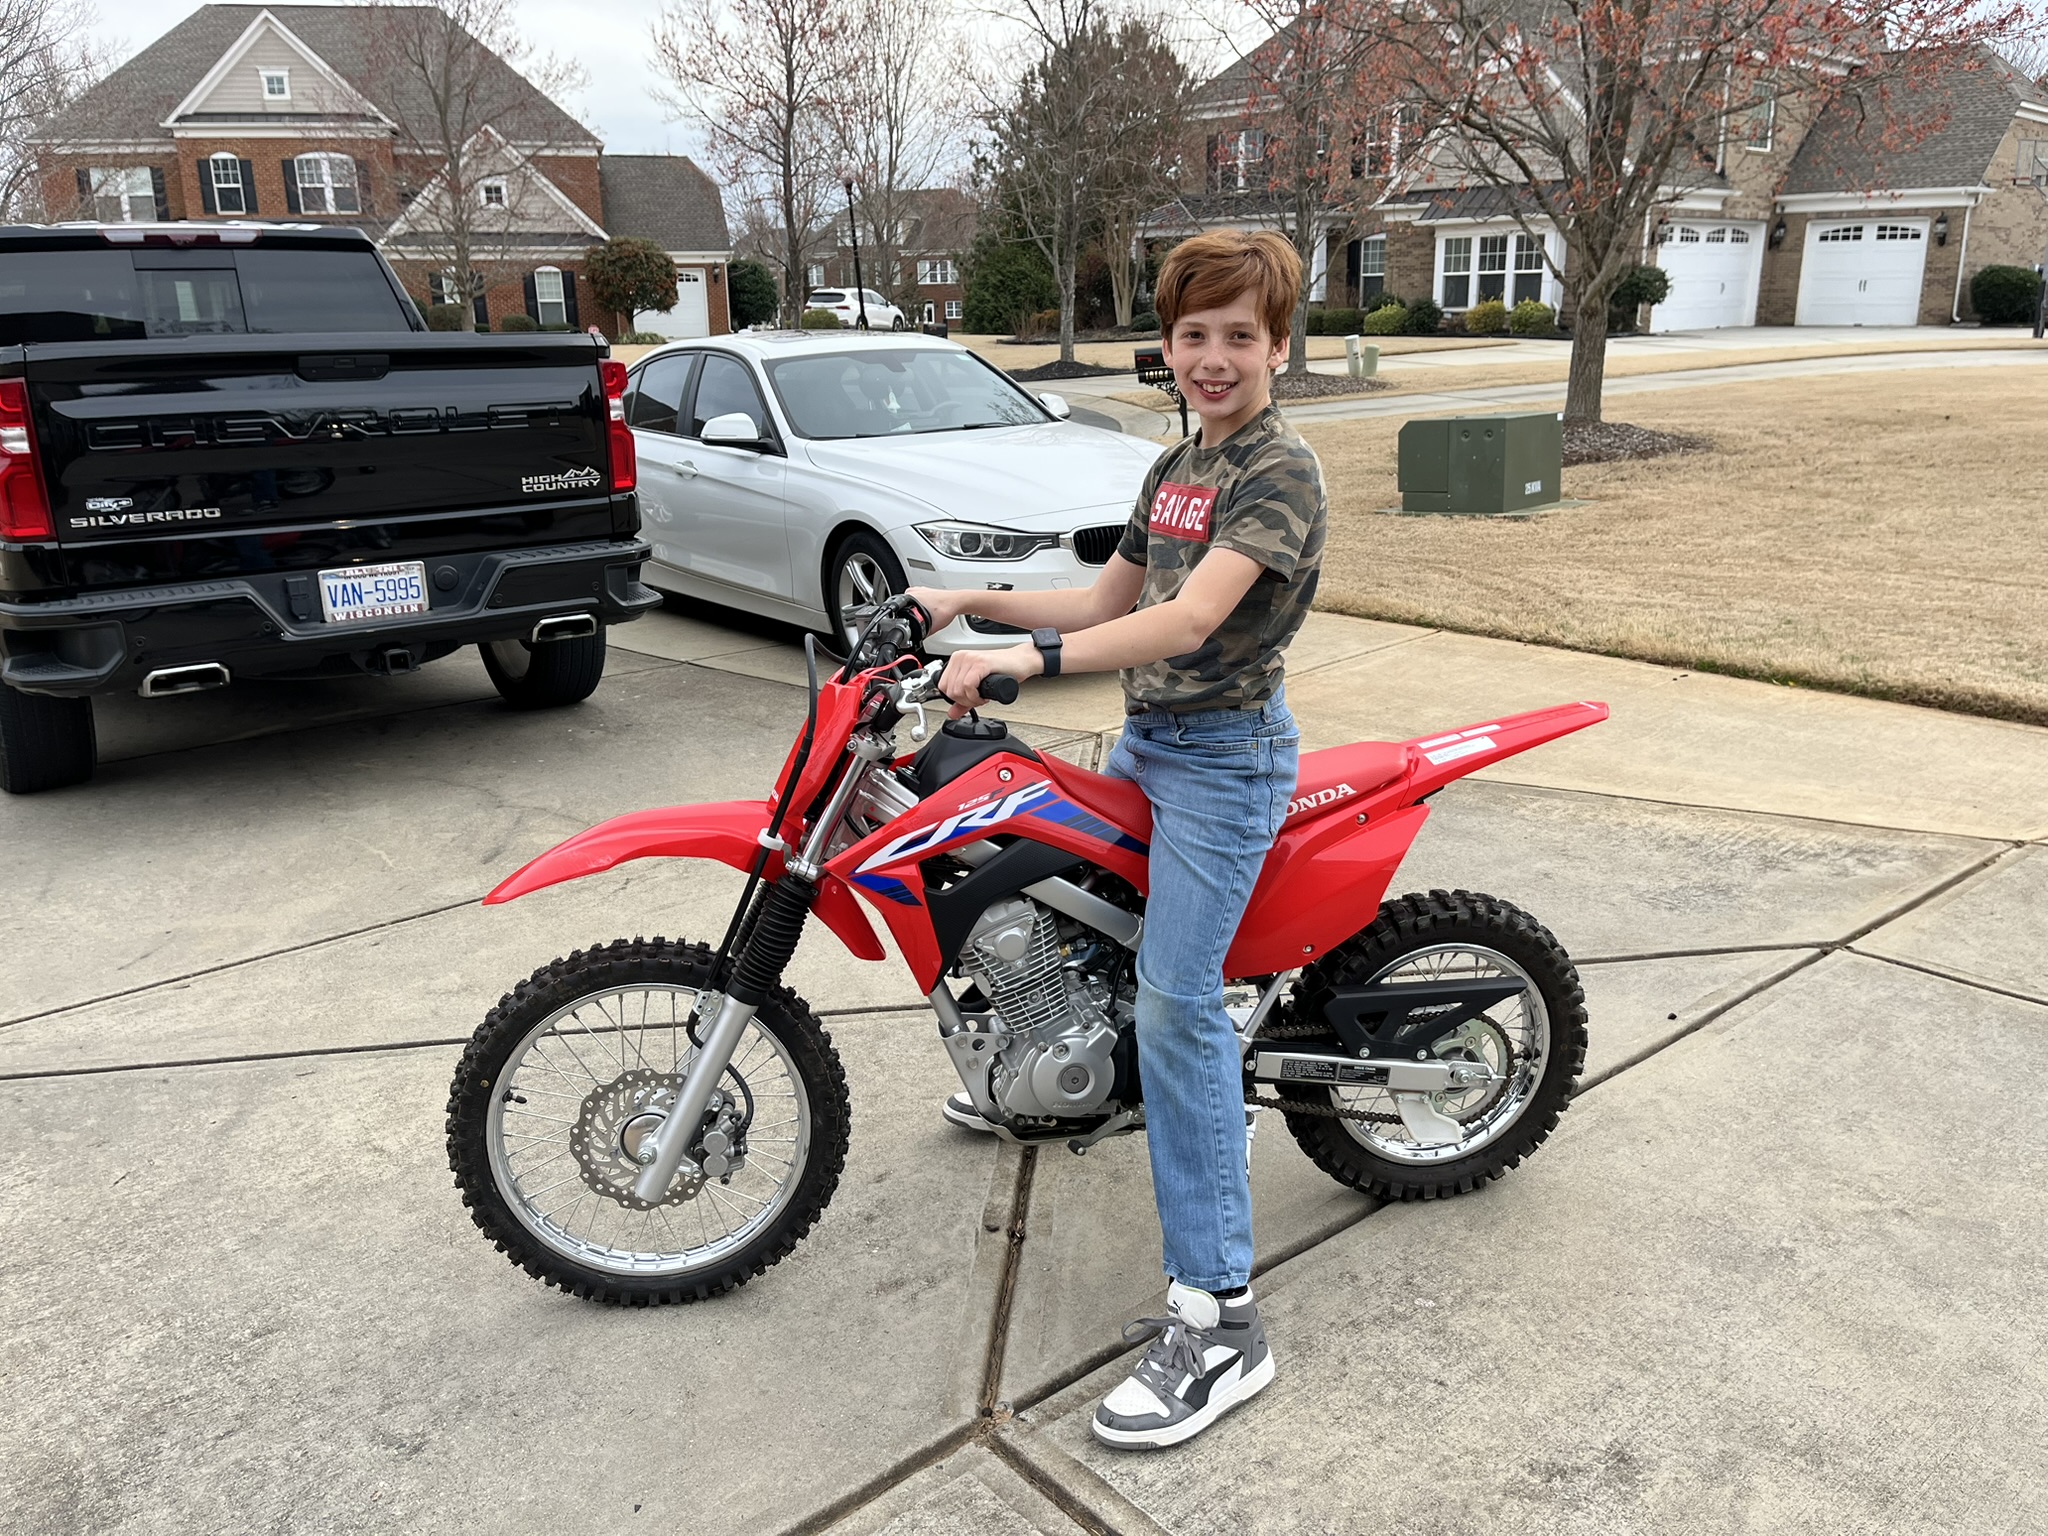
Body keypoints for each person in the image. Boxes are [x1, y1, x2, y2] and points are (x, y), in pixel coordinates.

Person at [907, 228, 1327, 1450]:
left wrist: (1022, 667)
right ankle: (1041, 1072)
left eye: (1237, 336)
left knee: (1174, 1004)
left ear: (1276, 346)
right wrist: (965, 600)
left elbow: (1187, 622)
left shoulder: (1277, 472)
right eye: (1192, 334)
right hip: (1151, 747)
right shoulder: (1175, 467)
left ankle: (1221, 1322)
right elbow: (1105, 600)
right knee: (1048, 902)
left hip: (1223, 763)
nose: (1210, 356)